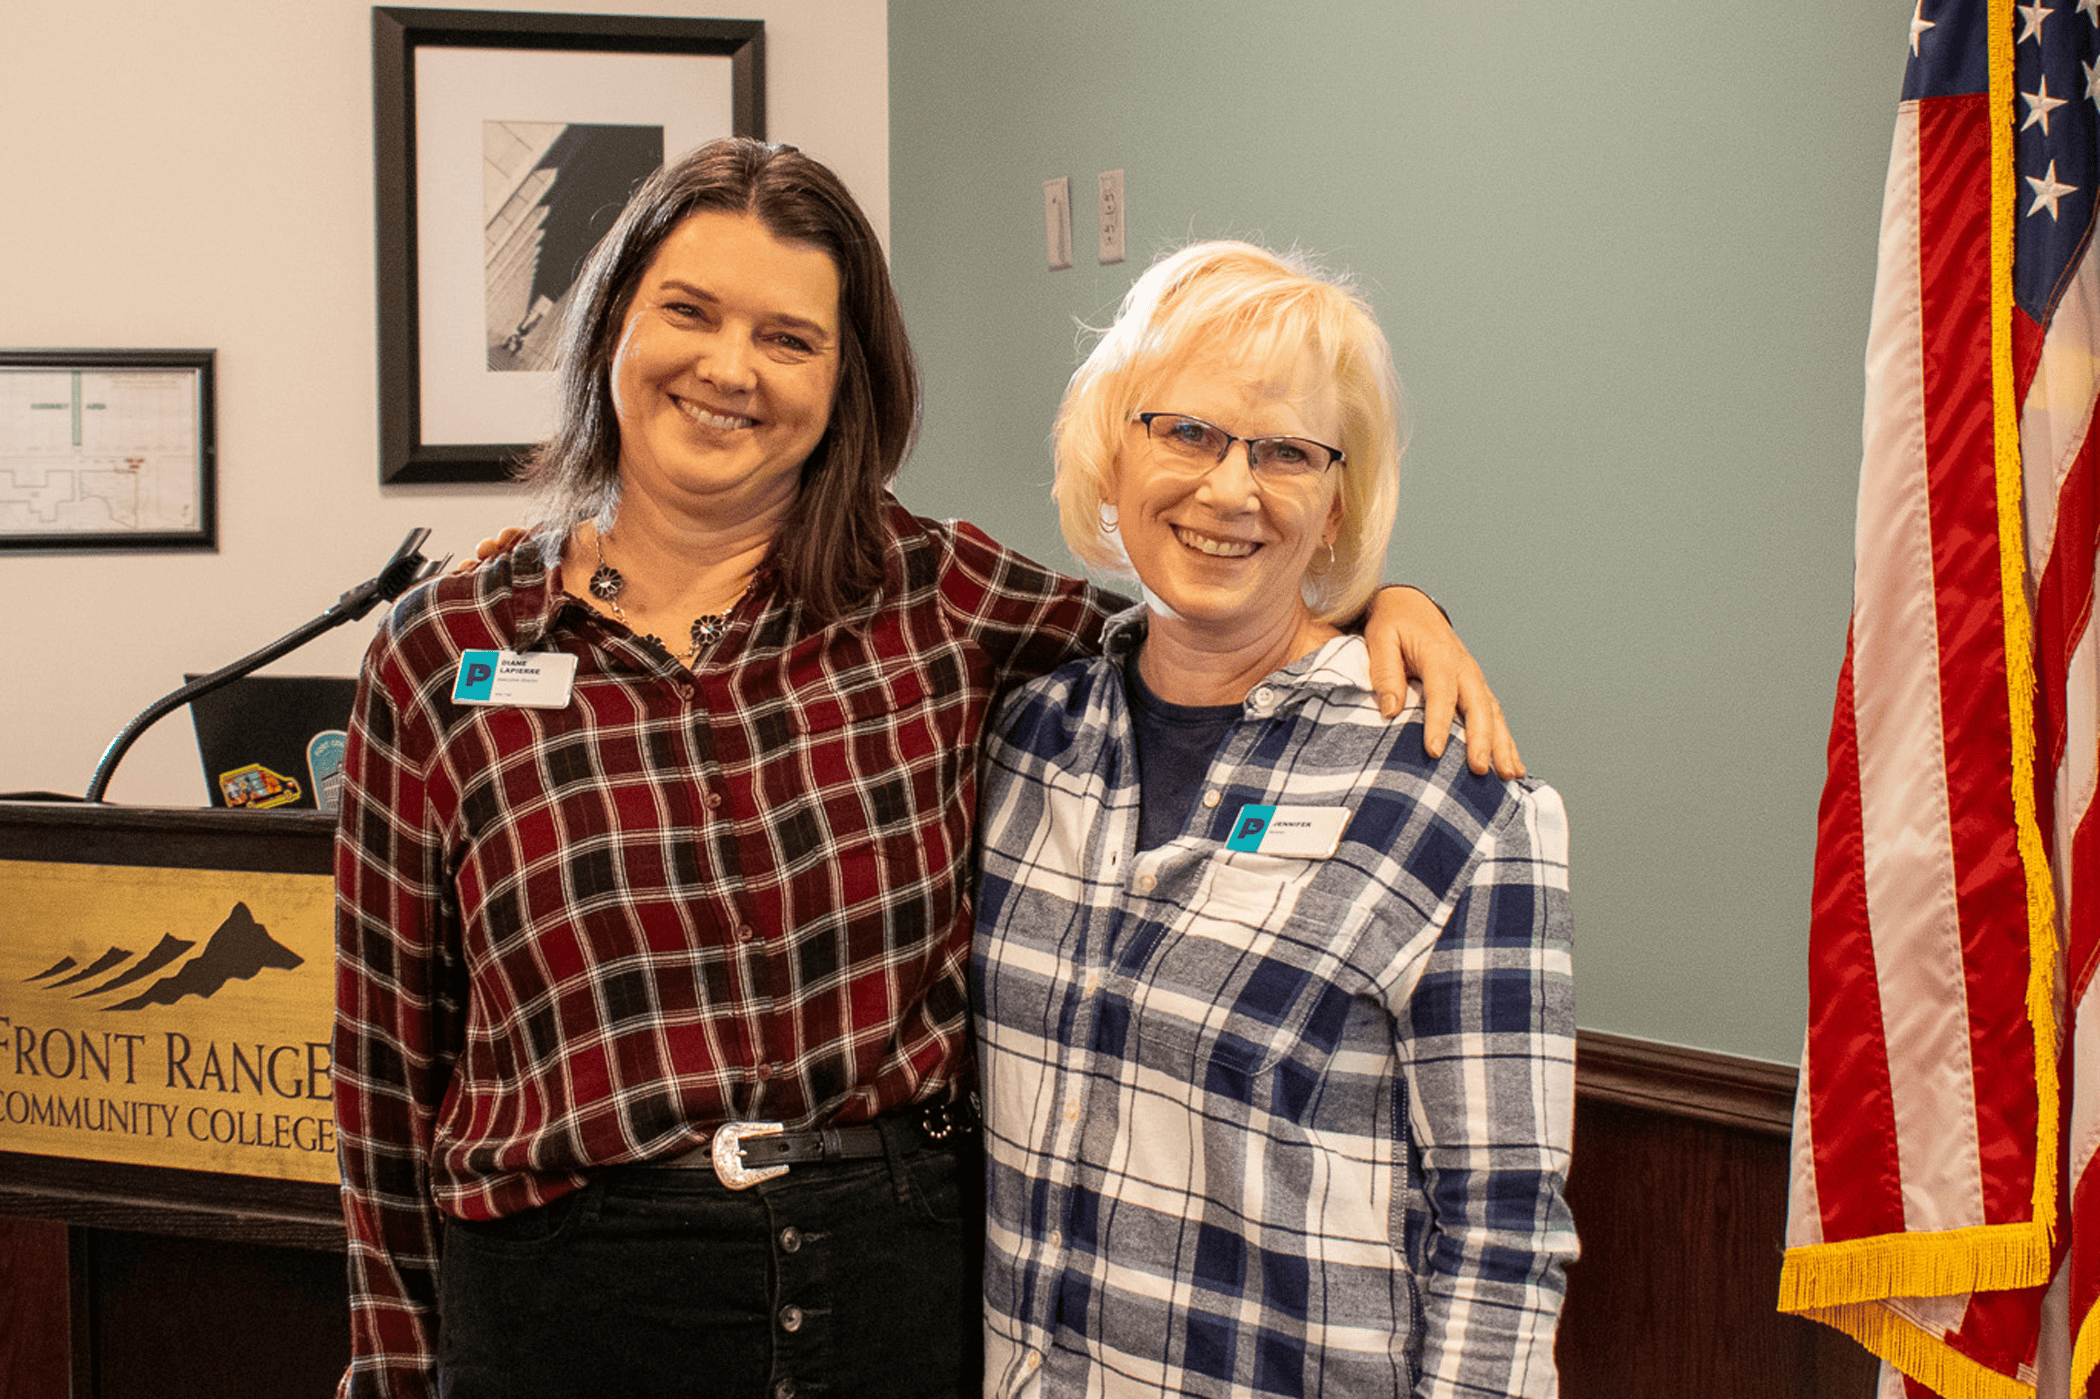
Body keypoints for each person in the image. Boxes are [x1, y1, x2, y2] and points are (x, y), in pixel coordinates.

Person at [332, 138, 1517, 1399]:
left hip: (891, 1293)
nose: (731, 368)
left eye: (789, 338)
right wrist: (397, 1371)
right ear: (612, 323)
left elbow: (1193, 626)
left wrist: (1387, 603)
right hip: (563, 1307)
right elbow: (383, 1073)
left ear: (846, 379)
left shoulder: (940, 598)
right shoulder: (447, 650)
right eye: (689, 311)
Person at [973, 241, 1576, 1398]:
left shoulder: (1452, 793)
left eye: (1287, 452)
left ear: (1338, 497)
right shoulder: (1026, 738)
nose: (1230, 488)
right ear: (1112, 447)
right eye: (1186, 432)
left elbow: (1503, 1233)